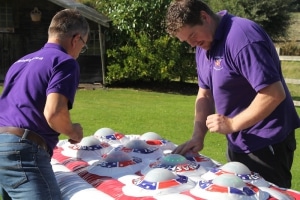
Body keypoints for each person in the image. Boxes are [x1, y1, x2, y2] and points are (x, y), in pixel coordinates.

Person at [165, 0, 300, 188]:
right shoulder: (203, 46)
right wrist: (198, 136)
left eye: (192, 35)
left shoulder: (242, 37)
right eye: (186, 41)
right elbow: (205, 94)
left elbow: (273, 94)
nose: (192, 44)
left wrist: (232, 123)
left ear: (204, 17)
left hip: (266, 142)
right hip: (237, 141)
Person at [0, 9, 89, 199]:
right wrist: (74, 131)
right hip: (24, 150)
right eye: (84, 45)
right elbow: (54, 113)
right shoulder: (64, 62)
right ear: (76, 39)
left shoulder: (20, 63)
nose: (80, 51)